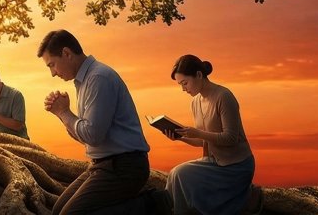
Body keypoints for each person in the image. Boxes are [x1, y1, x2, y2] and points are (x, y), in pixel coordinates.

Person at [37, 29, 151, 214]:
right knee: (58, 210)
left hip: (125, 167)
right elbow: (87, 138)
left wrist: (64, 112)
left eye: (52, 65)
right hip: (101, 165)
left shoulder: (98, 78)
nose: (52, 73)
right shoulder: (83, 81)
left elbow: (93, 136)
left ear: (67, 53)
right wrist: (61, 114)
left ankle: (147, 206)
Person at [164, 54, 259, 215]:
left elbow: (230, 138)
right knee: (174, 174)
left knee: (181, 174)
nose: (183, 89)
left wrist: (198, 132)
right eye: (180, 85)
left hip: (236, 165)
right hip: (214, 161)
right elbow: (205, 142)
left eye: (185, 83)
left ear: (199, 75)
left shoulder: (224, 96)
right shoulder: (195, 102)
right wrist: (181, 137)